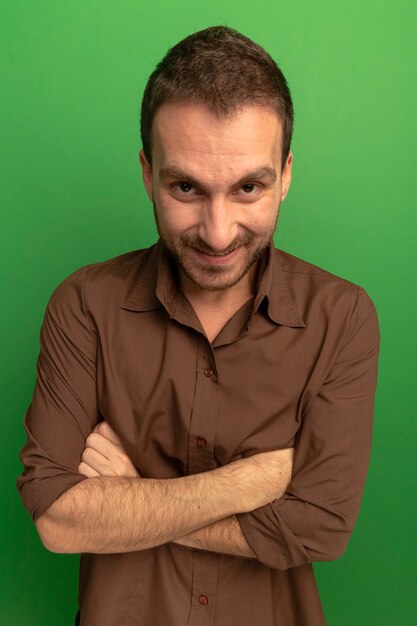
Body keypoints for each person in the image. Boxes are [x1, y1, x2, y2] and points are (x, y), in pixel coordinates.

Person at [16, 25, 380, 626]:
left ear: (286, 173)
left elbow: (320, 528)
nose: (217, 232)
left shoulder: (341, 318)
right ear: (146, 172)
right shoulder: (84, 305)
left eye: (248, 188)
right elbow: (57, 521)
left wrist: (132, 495)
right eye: (185, 186)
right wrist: (249, 482)